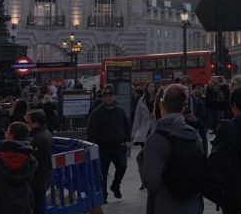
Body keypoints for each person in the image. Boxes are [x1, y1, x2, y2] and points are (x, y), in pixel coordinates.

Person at [143, 84, 204, 214]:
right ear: (183, 107)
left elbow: (153, 182)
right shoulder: (194, 135)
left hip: (165, 205)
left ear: (161, 105)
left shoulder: (155, 139)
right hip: (193, 204)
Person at [87, 87, 131, 203]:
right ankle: (103, 195)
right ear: (102, 98)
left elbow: (126, 126)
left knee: (122, 166)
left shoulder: (120, 110)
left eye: (111, 95)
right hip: (102, 148)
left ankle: (116, 185)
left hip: (118, 146)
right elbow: (91, 129)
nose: (109, 98)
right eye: (106, 96)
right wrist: (91, 143)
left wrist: (127, 139)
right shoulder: (97, 112)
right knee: (102, 173)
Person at [0, 121, 38, 214]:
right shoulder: (31, 160)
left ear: (11, 136)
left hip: (0, 203)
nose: (5, 134)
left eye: (7, 132)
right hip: (23, 202)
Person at [132, 81, 158, 190]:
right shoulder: (141, 101)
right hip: (145, 131)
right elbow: (137, 117)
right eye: (149, 87)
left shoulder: (160, 100)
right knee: (145, 157)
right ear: (146, 88)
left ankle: (154, 179)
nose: (151, 88)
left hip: (156, 130)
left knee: (154, 157)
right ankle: (145, 180)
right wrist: (134, 133)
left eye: (153, 87)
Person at [26, 110, 52, 214]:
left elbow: (32, 158)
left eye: (29, 122)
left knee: (39, 205)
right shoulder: (45, 133)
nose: (27, 125)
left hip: (38, 177)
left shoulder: (38, 138)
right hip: (43, 175)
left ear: (36, 123)